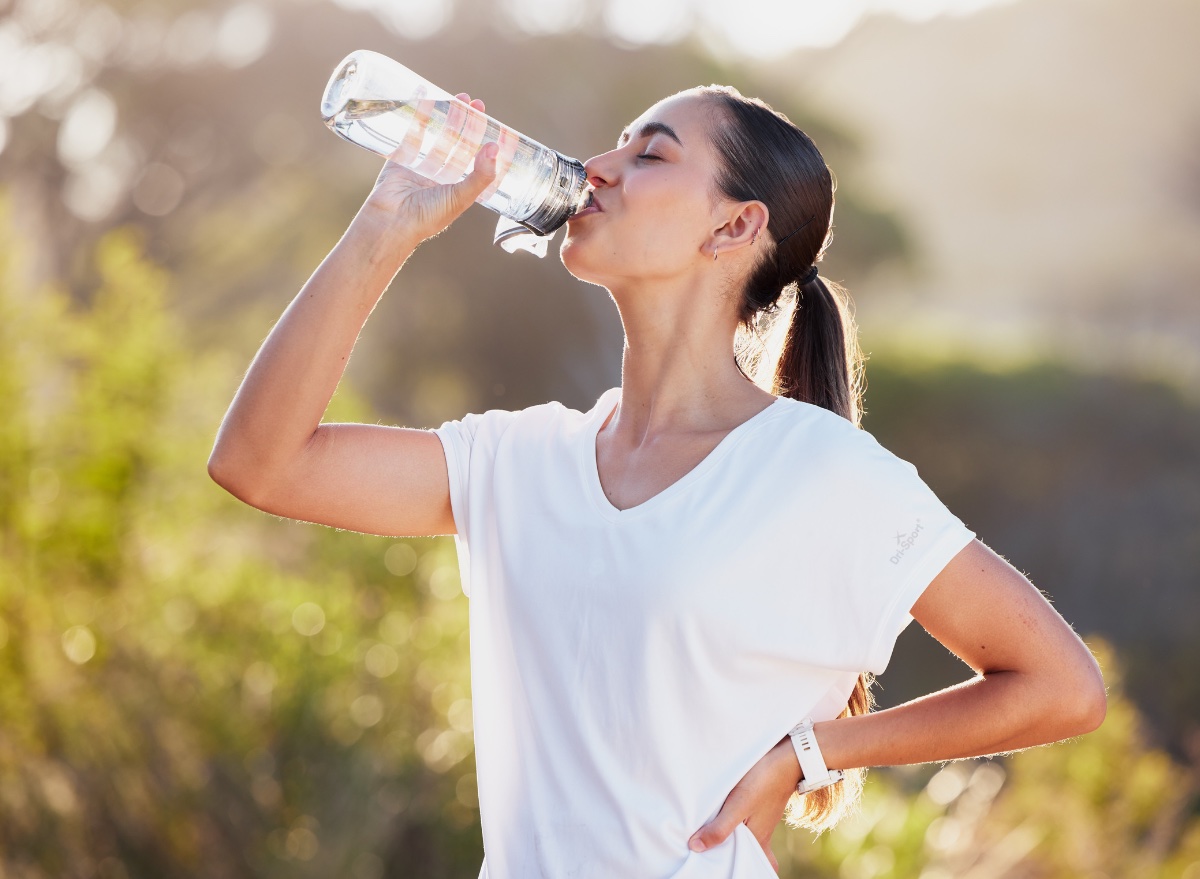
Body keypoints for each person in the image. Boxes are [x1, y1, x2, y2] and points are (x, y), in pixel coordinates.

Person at [208, 84, 1107, 878]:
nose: (598, 169)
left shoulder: (820, 472)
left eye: (651, 154)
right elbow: (260, 462)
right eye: (616, 147)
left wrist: (813, 751)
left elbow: (1060, 684)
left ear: (734, 225)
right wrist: (387, 222)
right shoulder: (520, 461)